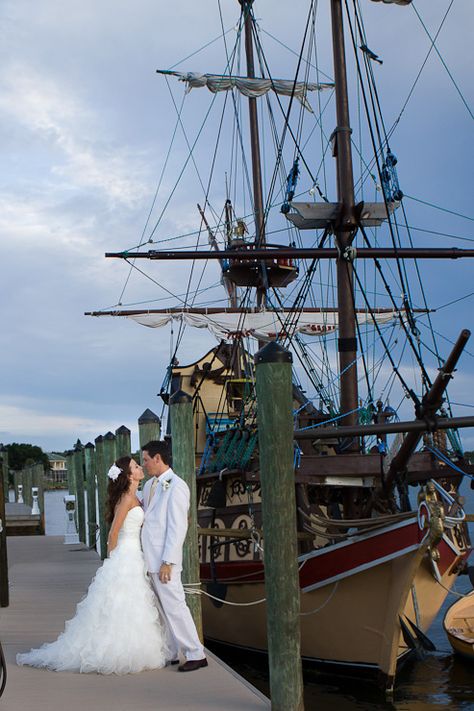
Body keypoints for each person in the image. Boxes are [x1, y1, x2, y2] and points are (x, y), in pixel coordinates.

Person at [17, 456, 168, 674]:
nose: (140, 468)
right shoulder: (126, 499)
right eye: (136, 466)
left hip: (136, 554)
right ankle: (115, 650)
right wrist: (113, 560)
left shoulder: (136, 496)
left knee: (131, 603)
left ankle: (130, 645)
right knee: (121, 601)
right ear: (128, 476)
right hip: (125, 554)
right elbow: (113, 533)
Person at [141, 440, 207, 672]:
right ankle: (170, 652)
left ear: (158, 458)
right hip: (149, 558)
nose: (145, 464)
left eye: (146, 460)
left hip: (164, 560)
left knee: (176, 606)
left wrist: (168, 561)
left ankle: (196, 653)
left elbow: (178, 527)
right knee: (162, 609)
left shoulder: (177, 486)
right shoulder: (149, 485)